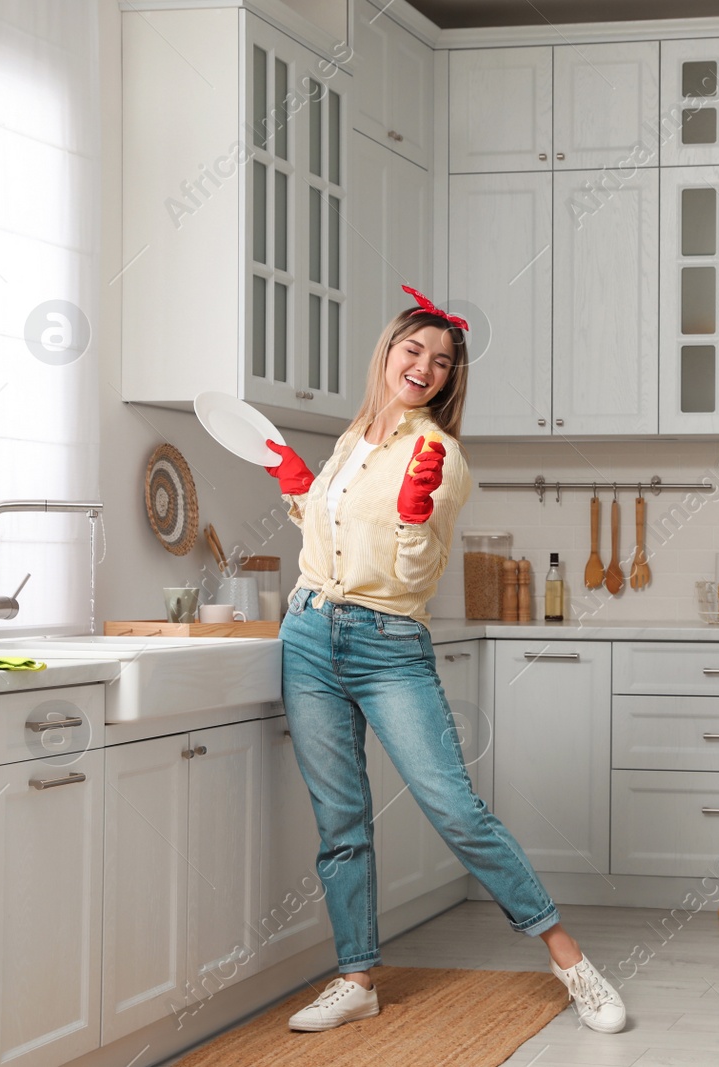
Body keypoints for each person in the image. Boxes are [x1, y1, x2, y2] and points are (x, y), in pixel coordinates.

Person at [264, 286, 625, 1034]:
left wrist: (418, 514)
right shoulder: (350, 439)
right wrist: (302, 494)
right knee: (341, 820)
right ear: (388, 353)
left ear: (450, 378)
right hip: (306, 633)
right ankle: (356, 977)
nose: (425, 366)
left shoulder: (441, 454)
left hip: (387, 642)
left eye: (442, 360)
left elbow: (409, 575)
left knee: (456, 810)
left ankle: (570, 962)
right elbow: (338, 538)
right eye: (413, 350)